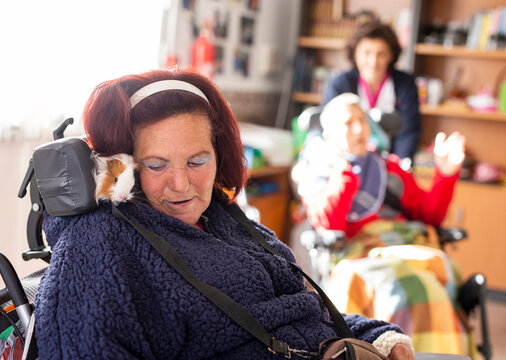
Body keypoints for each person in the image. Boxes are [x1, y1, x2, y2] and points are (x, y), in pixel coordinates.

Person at [33, 69, 414, 359]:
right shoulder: (101, 245)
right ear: (122, 170)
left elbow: (299, 307)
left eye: (198, 160)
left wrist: (373, 335)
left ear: (219, 155)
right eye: (156, 165)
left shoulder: (227, 219)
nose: (181, 184)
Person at [294, 92, 464, 238]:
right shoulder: (315, 175)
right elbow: (330, 228)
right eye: (348, 123)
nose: (359, 129)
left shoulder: (388, 167)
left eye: (362, 120)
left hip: (405, 246)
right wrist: (343, 170)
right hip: (360, 259)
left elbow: (429, 217)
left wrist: (445, 174)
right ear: (329, 136)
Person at [323, 20, 421, 162]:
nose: (373, 61)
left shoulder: (405, 84)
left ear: (391, 55)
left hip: (391, 162)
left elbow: (409, 131)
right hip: (348, 161)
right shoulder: (340, 84)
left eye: (381, 54)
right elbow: (329, 128)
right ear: (355, 54)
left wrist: (400, 165)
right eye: (366, 53)